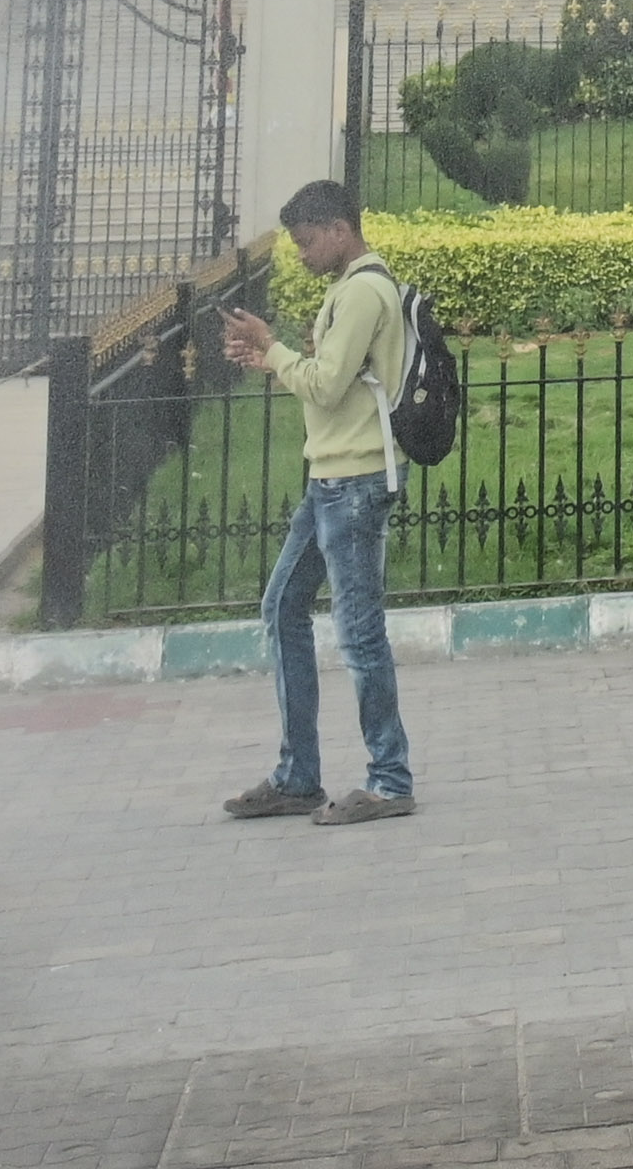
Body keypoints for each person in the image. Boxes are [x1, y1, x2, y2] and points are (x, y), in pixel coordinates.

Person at [214, 179, 416, 825]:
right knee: (282, 608)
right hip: (331, 478)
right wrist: (274, 358)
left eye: (305, 241)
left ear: (337, 230)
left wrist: (273, 351)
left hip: (354, 483)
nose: (301, 253)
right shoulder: (346, 291)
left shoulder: (362, 291)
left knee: (359, 635)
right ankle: (298, 776)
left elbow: (327, 387)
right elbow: (329, 381)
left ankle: (389, 778)